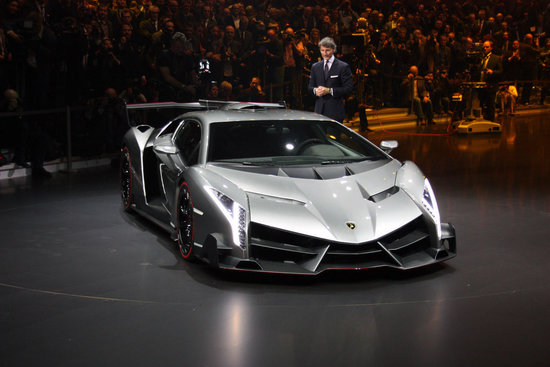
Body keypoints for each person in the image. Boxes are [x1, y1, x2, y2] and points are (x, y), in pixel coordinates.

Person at [307, 37, 353, 123]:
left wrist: (329, 90)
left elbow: (348, 88)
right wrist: (315, 90)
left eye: (327, 50)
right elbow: (310, 88)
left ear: (333, 50)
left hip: (335, 112)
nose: (325, 53)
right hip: (319, 112)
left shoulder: (342, 67)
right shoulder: (315, 67)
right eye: (322, 50)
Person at [479, 40, 503, 122]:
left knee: (490, 105)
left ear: (491, 48)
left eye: (487, 47)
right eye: (484, 47)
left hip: (491, 84)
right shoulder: (480, 57)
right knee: (480, 104)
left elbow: (501, 71)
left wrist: (493, 72)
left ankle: (491, 121)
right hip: (481, 84)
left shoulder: (496, 58)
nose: (485, 48)